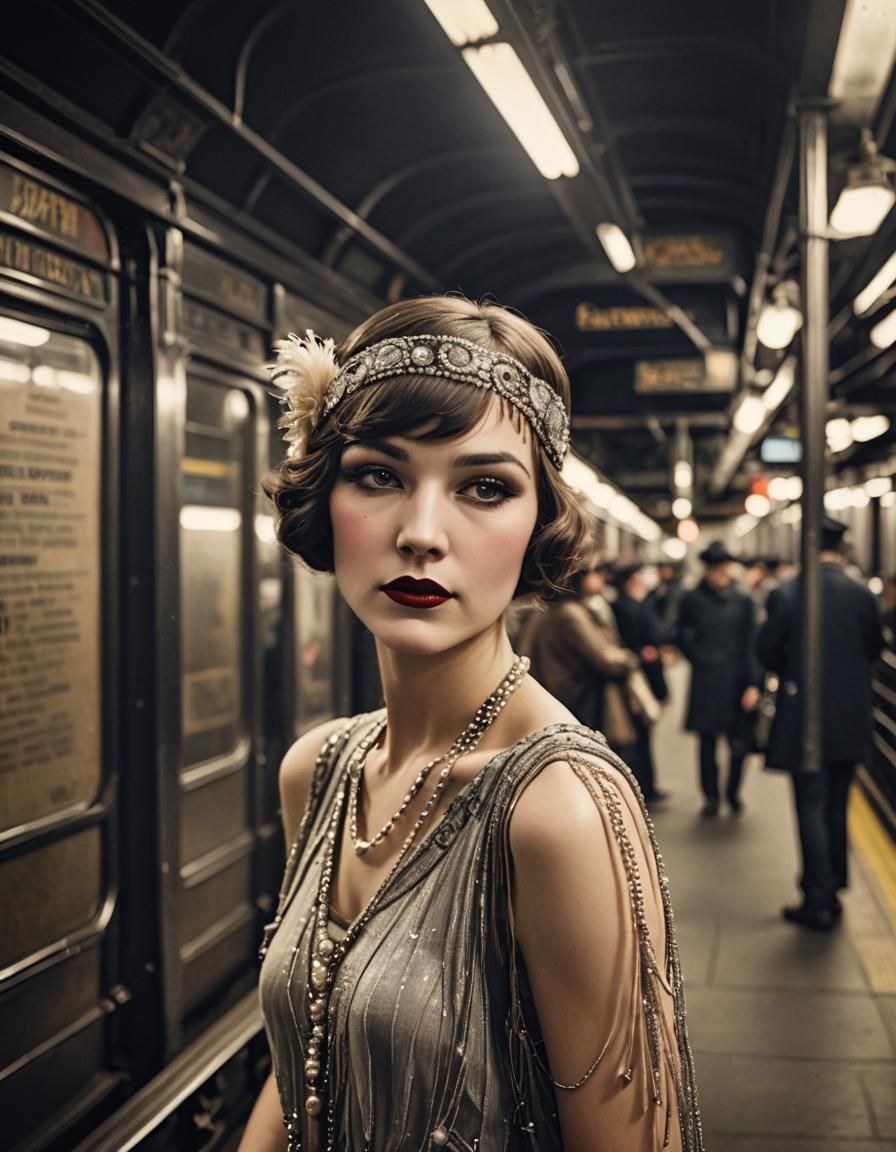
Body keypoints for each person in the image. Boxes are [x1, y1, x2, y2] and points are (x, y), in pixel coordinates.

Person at [239, 297, 703, 1152]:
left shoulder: (561, 812)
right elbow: (306, 1054)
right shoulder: (320, 770)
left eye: (484, 487)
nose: (421, 534)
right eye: (378, 474)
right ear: (324, 493)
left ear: (539, 527)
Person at [756, 516, 883, 931]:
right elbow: (873, 649)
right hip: (850, 716)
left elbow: (767, 650)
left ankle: (818, 896)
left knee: (810, 802)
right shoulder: (862, 594)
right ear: (841, 548)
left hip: (804, 717)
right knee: (837, 803)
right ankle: (835, 884)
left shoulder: (788, 593)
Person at [677, 540, 761, 816]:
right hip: (707, 680)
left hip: (737, 680)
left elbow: (752, 644)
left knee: (739, 743)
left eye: (722, 568)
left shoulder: (744, 599)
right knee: (707, 743)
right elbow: (682, 634)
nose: (719, 574)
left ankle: (733, 792)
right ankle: (711, 796)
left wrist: (753, 684)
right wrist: (699, 657)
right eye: (714, 569)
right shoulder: (692, 599)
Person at [519, 555, 641, 747]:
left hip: (558, 696)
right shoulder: (571, 613)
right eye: (597, 572)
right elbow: (605, 659)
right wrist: (630, 659)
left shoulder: (546, 610)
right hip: (577, 699)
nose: (603, 577)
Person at [611, 561, 669, 804]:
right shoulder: (625, 607)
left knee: (644, 734)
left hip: (646, 674)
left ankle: (648, 784)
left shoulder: (641, 603)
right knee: (639, 734)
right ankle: (642, 786)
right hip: (637, 678)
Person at [646, 561, 684, 647]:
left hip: (665, 636)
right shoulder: (664, 587)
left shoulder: (673, 590)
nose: (659, 574)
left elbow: (669, 615)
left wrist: (662, 637)